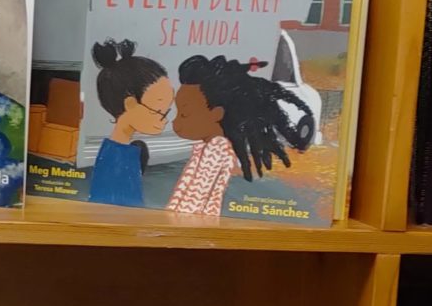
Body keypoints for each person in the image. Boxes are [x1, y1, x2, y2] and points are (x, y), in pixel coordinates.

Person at [167, 53, 315, 216]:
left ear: (217, 114)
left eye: (184, 114)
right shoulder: (207, 146)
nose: (175, 123)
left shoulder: (216, 150)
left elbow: (192, 205)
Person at [87, 40, 172, 208]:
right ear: (131, 104)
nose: (165, 119)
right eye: (159, 110)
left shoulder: (121, 150)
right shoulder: (116, 158)